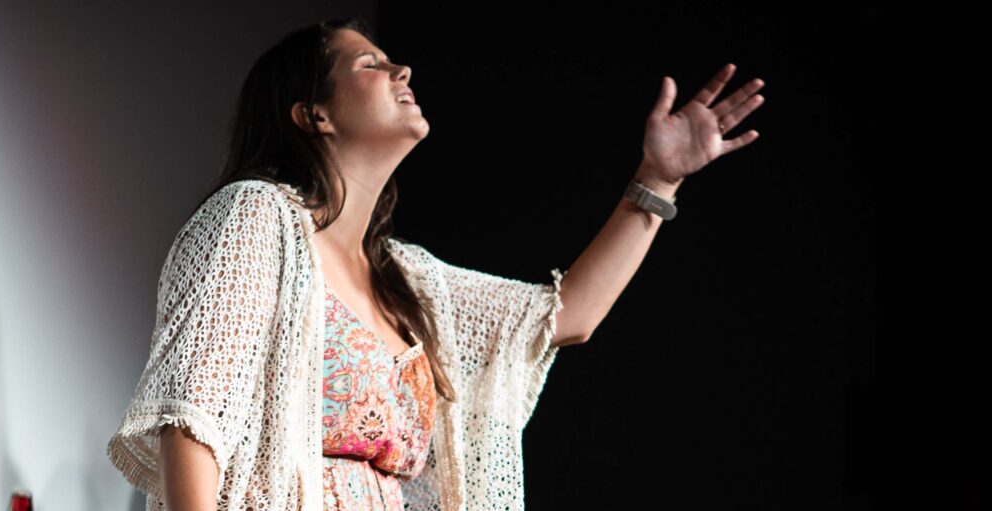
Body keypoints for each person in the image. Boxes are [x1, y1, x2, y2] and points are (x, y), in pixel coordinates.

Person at [107, 19, 765, 511]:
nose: (404, 73)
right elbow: (192, 418)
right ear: (314, 114)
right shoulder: (256, 218)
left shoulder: (410, 279)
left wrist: (657, 181)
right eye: (371, 63)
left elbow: (568, 315)